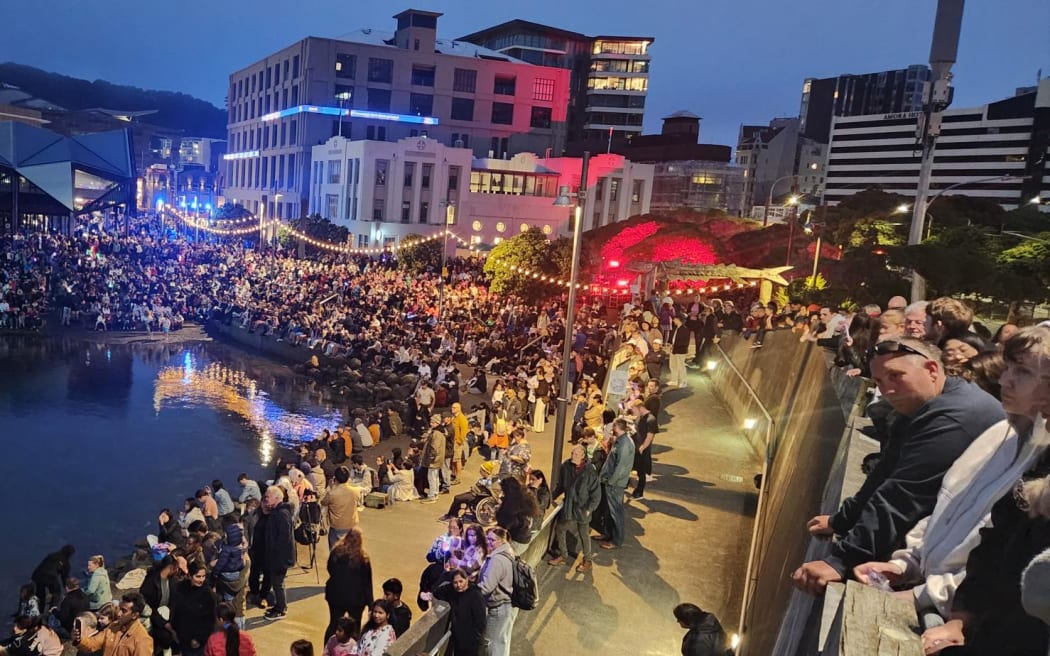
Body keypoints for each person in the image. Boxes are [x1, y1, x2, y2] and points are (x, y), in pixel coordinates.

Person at [852, 326, 1050, 622]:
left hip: (959, 618)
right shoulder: (1000, 434)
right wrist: (907, 562)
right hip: (933, 598)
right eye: (1007, 366)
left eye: (1021, 371)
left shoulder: (1042, 464)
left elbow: (1002, 557)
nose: (1004, 379)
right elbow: (947, 510)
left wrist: (931, 598)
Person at [792, 338, 1005, 595]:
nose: (888, 390)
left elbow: (902, 495)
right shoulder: (927, 402)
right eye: (880, 381)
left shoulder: (956, 416)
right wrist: (843, 520)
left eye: (896, 376)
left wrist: (840, 561)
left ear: (932, 370)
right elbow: (885, 469)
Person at [548, 443, 602, 572]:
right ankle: (563, 555)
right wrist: (552, 497)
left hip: (583, 508)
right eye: (572, 453)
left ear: (583, 455)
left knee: (584, 534)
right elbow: (561, 485)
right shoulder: (566, 467)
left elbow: (596, 493)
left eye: (576, 454)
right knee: (560, 528)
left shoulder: (590, 471)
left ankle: (587, 560)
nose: (573, 456)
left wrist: (590, 509)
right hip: (570, 507)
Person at [323, 528, 373, 643]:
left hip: (336, 596)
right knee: (355, 626)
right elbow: (367, 583)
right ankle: (353, 650)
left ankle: (327, 649)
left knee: (334, 624)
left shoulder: (336, 553)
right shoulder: (363, 559)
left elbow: (330, 569)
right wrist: (371, 604)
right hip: (355, 599)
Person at [73, 592, 153, 656]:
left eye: (124, 611)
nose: (119, 613)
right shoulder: (113, 627)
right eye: (119, 609)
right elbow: (93, 644)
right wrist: (79, 639)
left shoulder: (143, 640)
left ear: (134, 615)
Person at [598, 419, 636, 550]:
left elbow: (620, 467)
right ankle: (608, 534)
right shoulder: (620, 441)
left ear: (616, 427)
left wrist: (611, 481)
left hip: (615, 484)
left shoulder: (624, 444)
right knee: (609, 511)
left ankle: (616, 540)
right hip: (612, 482)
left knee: (616, 512)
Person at [477, 527, 515, 656]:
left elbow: (486, 587)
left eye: (492, 540)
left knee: (492, 644)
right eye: (487, 539)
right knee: (501, 642)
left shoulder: (497, 559)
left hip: (499, 608)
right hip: (507, 606)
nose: (488, 542)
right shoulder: (508, 552)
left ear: (501, 541)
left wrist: (471, 590)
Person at [433, 568, 487, 656]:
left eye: (461, 581)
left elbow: (481, 622)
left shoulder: (475, 595)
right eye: (455, 582)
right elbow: (437, 592)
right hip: (459, 641)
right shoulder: (453, 592)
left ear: (467, 580)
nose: (458, 585)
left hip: (472, 643)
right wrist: (451, 587)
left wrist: (473, 639)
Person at [262, 485, 295, 621]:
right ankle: (279, 606)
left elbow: (284, 536)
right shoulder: (279, 512)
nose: (265, 499)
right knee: (277, 583)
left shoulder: (281, 514)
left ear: (276, 498)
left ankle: (281, 609)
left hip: (280, 557)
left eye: (267, 497)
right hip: (278, 556)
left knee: (278, 583)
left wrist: (274, 551)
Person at [171, 563, 216, 656]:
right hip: (181, 637)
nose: (201, 580)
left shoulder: (208, 594)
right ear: (190, 576)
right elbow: (176, 610)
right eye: (198, 576)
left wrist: (199, 639)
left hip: (197, 641)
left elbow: (210, 620)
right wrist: (174, 630)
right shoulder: (180, 588)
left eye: (203, 576)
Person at [321, 465, 360, 548]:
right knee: (350, 550)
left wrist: (329, 488)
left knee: (335, 551)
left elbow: (323, 502)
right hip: (351, 524)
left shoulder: (332, 493)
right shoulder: (355, 491)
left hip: (336, 526)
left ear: (336, 478)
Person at [628, 398, 659, 501]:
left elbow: (650, 436)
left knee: (641, 472)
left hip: (642, 450)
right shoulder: (641, 417)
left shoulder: (651, 419)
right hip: (636, 447)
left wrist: (642, 447)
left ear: (640, 408)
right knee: (634, 468)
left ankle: (639, 492)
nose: (634, 413)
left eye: (634, 410)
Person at [495, 477, 539, 547]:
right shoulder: (524, 498)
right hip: (525, 538)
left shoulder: (511, 505)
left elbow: (504, 523)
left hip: (516, 540)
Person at [421, 414, 447, 503]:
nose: (431, 424)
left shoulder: (436, 433)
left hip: (434, 460)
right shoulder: (441, 432)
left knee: (431, 477)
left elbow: (434, 447)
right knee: (435, 477)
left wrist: (431, 458)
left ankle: (432, 496)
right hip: (438, 459)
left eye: (432, 422)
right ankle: (435, 493)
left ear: (436, 423)